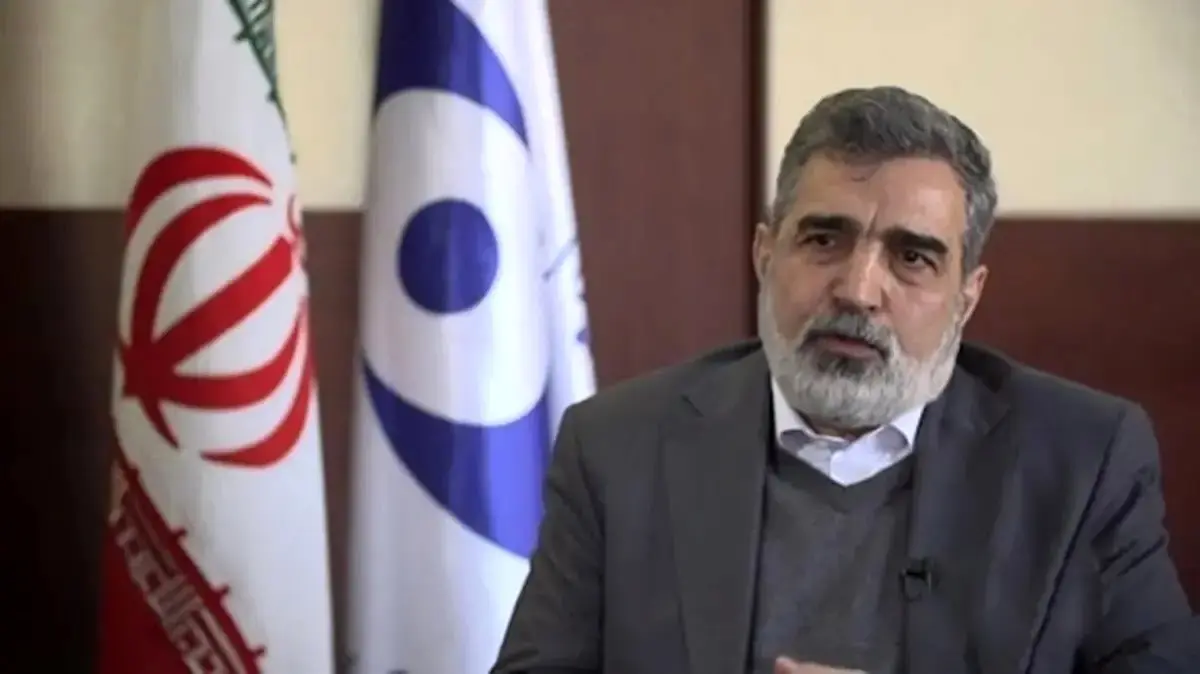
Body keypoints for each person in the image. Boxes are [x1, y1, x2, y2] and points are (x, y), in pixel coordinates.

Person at [491, 86, 1198, 673]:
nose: (858, 291)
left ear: (966, 296)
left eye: (912, 258)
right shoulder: (618, 448)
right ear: (765, 254)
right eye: (824, 240)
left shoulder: (1082, 462)